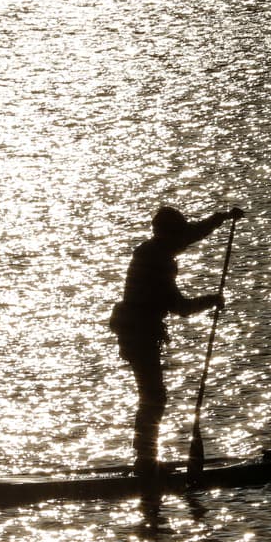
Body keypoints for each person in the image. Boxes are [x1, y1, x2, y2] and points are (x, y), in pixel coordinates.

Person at [110, 205, 244, 481]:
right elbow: (181, 307)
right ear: (168, 235)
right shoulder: (156, 262)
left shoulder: (158, 247)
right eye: (178, 235)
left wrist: (221, 218)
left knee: (153, 396)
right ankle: (145, 462)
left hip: (140, 333)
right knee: (154, 397)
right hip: (138, 335)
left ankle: (145, 459)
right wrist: (212, 300)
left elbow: (191, 234)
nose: (183, 241)